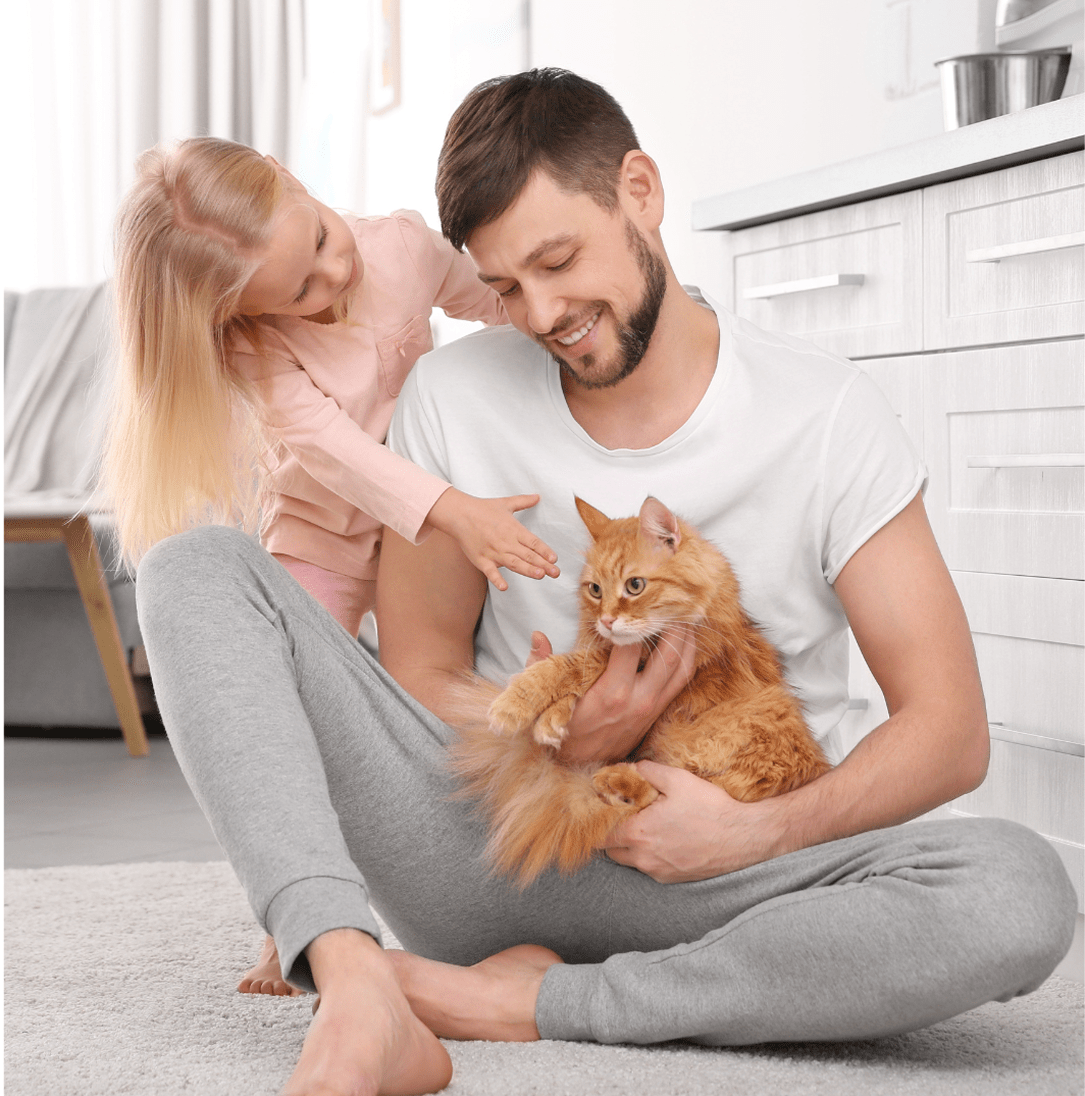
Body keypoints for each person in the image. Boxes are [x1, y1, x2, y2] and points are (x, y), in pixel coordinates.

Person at [132, 71, 1077, 1096]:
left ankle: (517, 1002)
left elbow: (948, 731)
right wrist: (549, 737)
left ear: (639, 190)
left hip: (728, 877)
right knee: (193, 567)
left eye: (555, 260)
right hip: (496, 854)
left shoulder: (826, 412)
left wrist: (747, 832)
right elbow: (419, 670)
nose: (538, 315)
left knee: (1018, 889)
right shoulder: (450, 396)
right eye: (501, 287)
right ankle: (355, 979)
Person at [102, 136, 559, 996]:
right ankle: (298, 913)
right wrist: (452, 510)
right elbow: (336, 451)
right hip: (323, 535)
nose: (331, 279)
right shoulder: (252, 348)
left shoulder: (400, 246)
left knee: (430, 696)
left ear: (291, 176)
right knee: (278, 719)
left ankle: (470, 879)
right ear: (237, 317)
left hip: (420, 537)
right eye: (297, 294)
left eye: (317, 242)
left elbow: (499, 308)